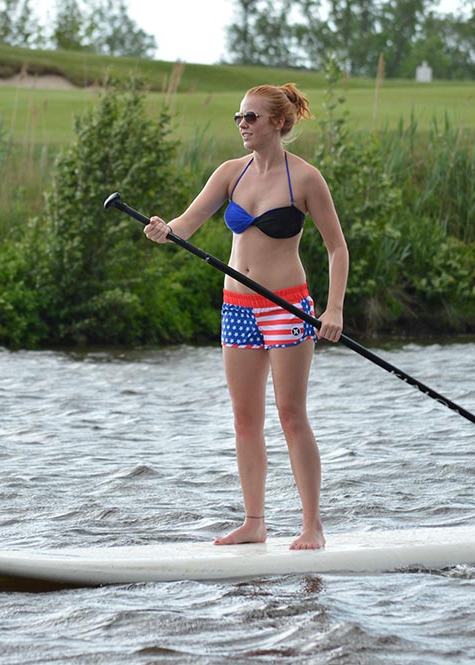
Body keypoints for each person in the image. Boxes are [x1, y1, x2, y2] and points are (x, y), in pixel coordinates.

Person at [143, 83, 349, 551]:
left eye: (252, 117)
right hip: (237, 307)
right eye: (239, 117)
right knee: (244, 419)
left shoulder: (306, 179)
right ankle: (254, 523)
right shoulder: (230, 174)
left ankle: (312, 526)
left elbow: (337, 248)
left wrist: (334, 308)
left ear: (278, 122)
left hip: (287, 307)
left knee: (291, 415)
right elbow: (186, 224)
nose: (242, 124)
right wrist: (163, 231)